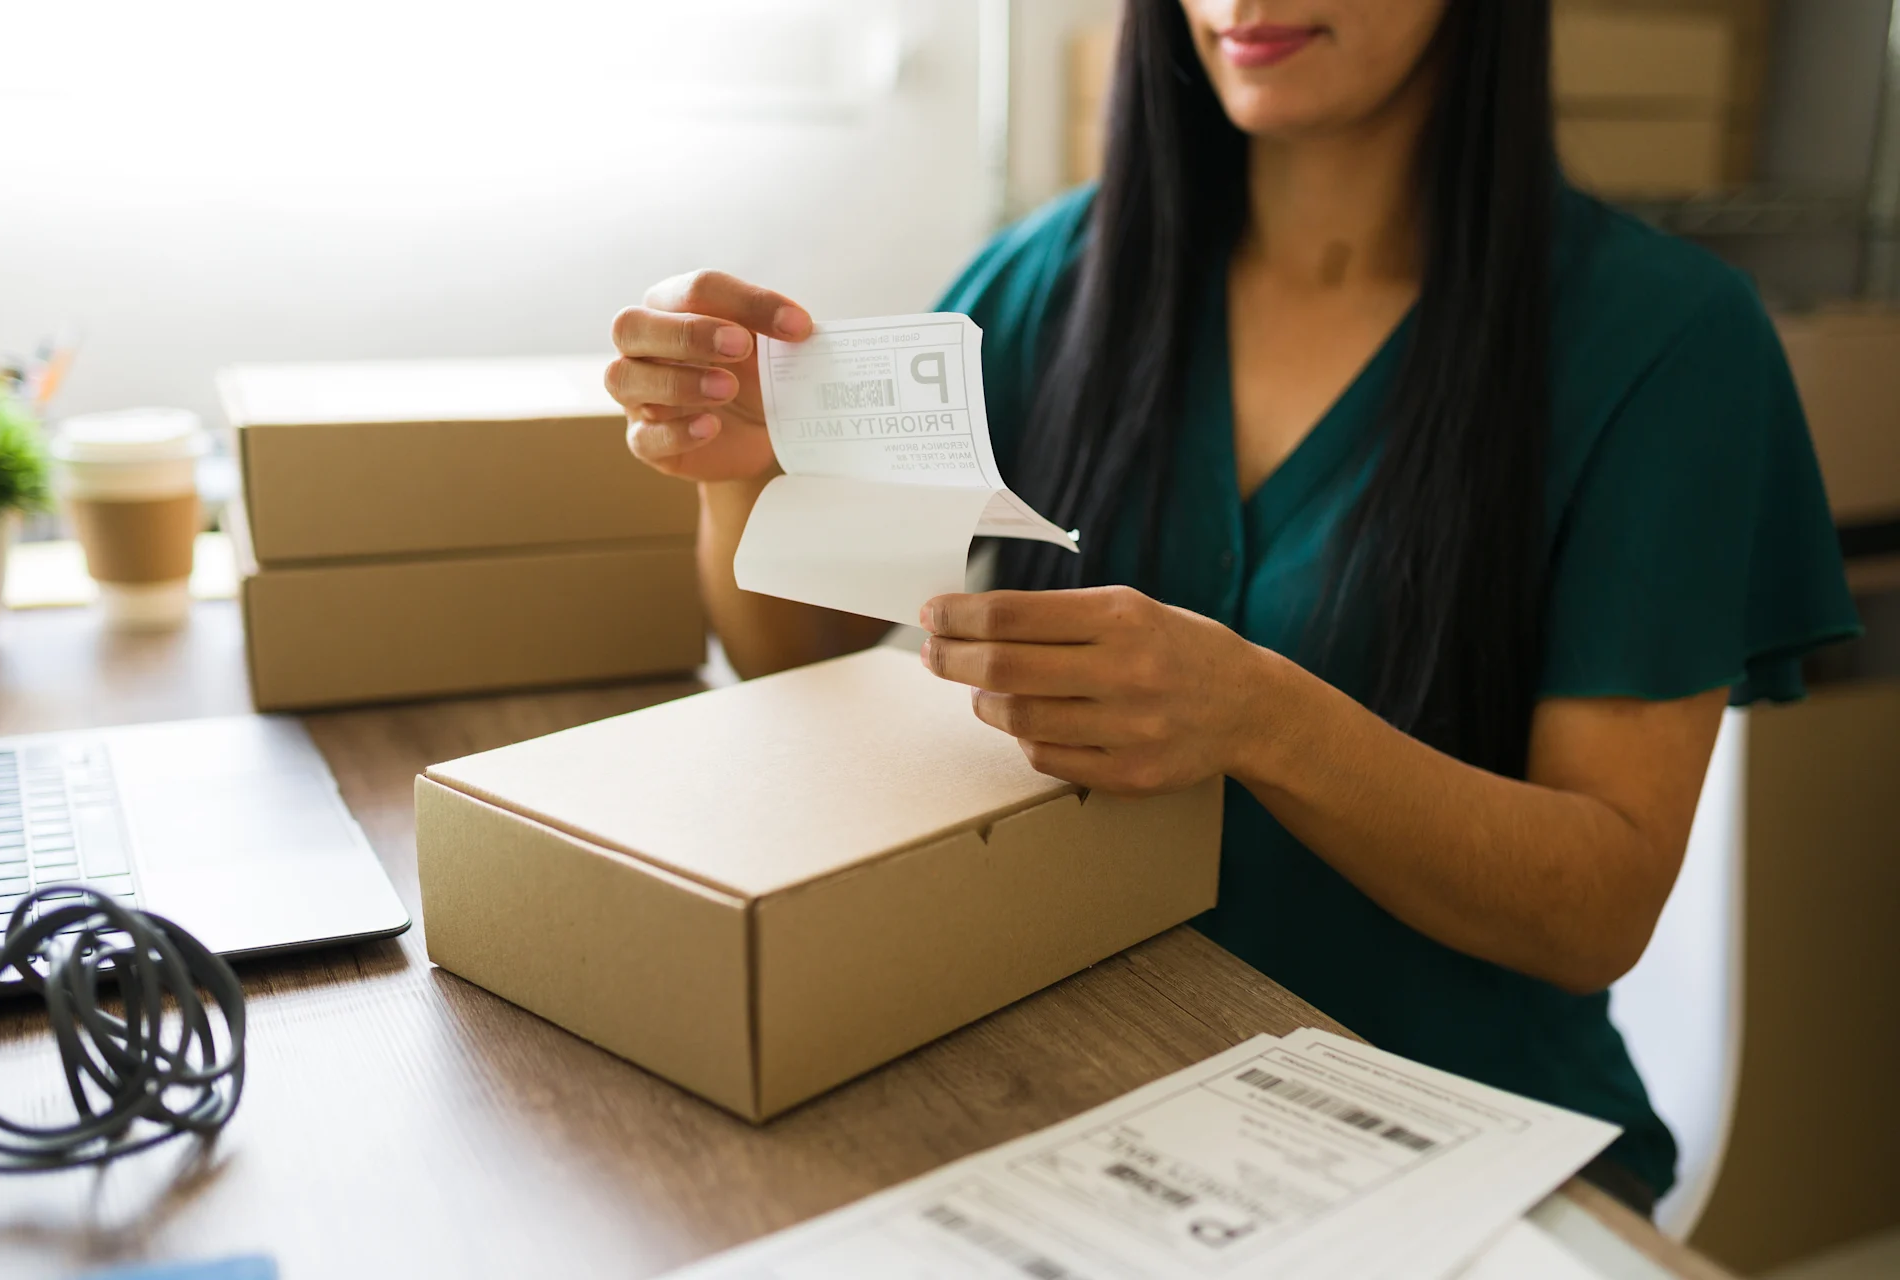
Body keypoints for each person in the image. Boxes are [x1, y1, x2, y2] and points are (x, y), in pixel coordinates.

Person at [605, 0, 1859, 1215]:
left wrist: (1264, 718)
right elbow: (787, 658)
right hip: (1085, 1084)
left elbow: (1598, 904)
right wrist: (743, 471)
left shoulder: (1671, 341)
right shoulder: (1056, 275)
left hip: (1461, 1130)